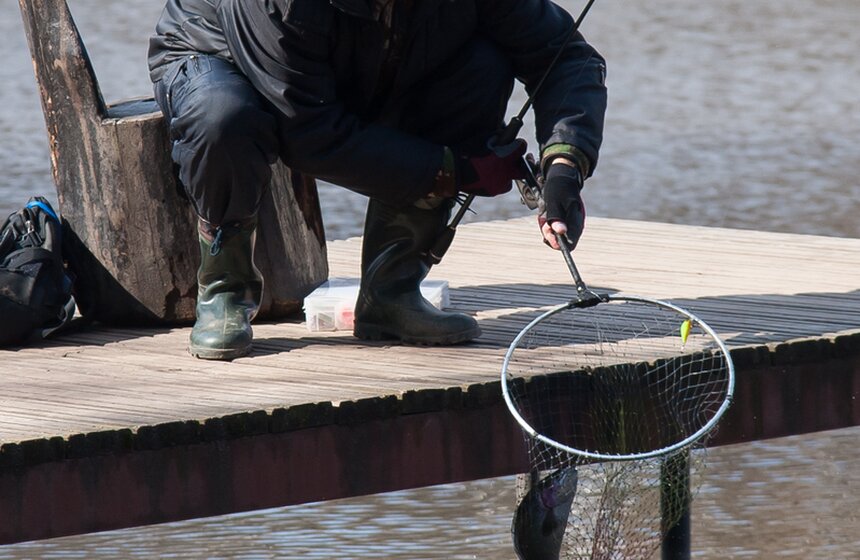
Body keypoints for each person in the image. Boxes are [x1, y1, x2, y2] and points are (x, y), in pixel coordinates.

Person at [148, 0, 607, 360]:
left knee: (482, 67)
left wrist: (565, 165)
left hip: (361, 61)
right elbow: (308, 134)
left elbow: (566, 57)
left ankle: (391, 291)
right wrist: (457, 171)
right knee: (223, 116)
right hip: (218, 59)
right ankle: (225, 287)